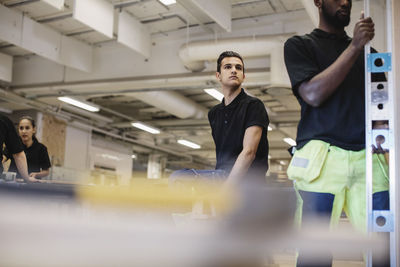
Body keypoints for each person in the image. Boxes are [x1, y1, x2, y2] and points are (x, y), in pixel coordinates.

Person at [283, 0, 389, 266]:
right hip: (322, 162)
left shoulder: (371, 55)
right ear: (318, 2)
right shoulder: (300, 46)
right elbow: (312, 94)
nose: (345, 1)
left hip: (369, 161)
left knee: (385, 251)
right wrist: (355, 46)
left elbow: (381, 117)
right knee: (313, 255)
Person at [170, 51, 269, 189]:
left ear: (243, 76)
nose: (234, 70)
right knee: (179, 177)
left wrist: (228, 187)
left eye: (238, 68)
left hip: (249, 182)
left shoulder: (253, 105)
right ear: (218, 76)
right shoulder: (214, 113)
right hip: (221, 176)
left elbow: (249, 152)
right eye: (228, 67)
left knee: (179, 177)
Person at [0, 114, 33, 182]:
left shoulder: (41, 148)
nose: (24, 131)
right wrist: (27, 179)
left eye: (27, 128)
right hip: (15, 178)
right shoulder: (4, 121)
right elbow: (7, 156)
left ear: (33, 130)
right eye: (21, 128)